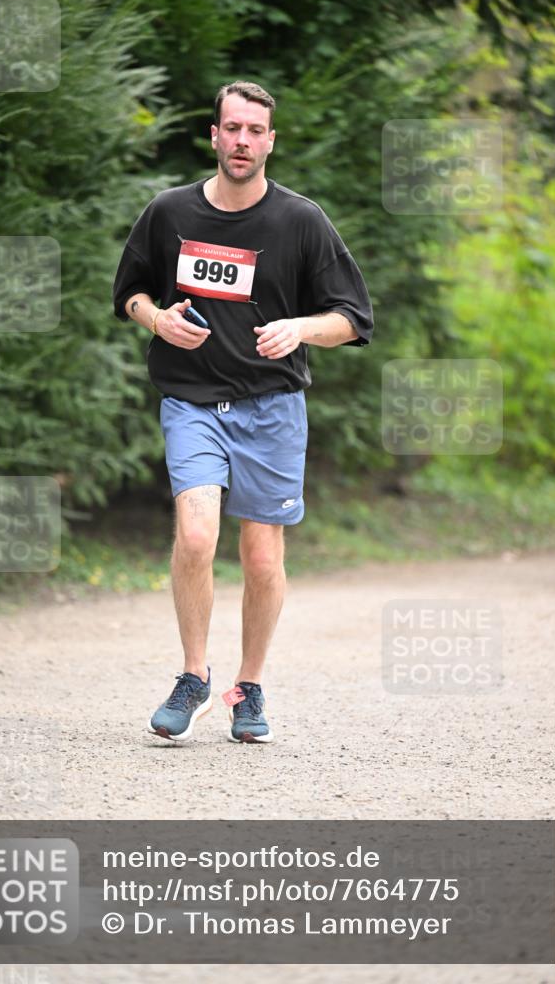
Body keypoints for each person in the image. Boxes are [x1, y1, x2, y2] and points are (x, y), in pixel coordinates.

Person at [113, 80, 373, 744]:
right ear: (213, 135)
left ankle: (247, 688)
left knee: (260, 558)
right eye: (231, 128)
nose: (241, 141)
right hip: (191, 401)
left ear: (269, 141)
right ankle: (192, 675)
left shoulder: (300, 221)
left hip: (271, 408)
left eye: (254, 131)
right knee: (196, 537)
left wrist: (300, 330)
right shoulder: (169, 213)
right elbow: (130, 293)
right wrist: (156, 318)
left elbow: (350, 318)